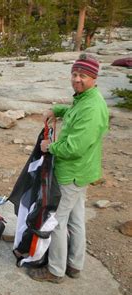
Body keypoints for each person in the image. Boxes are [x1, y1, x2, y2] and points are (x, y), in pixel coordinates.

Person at [28, 53, 109, 283]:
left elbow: (74, 147)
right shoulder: (85, 99)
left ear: (94, 77)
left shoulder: (92, 108)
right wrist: (58, 110)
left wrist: (50, 146)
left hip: (71, 173)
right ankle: (74, 264)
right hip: (81, 172)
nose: (77, 79)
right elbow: (74, 110)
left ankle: (55, 270)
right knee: (76, 219)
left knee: (56, 221)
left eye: (83, 75)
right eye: (74, 74)